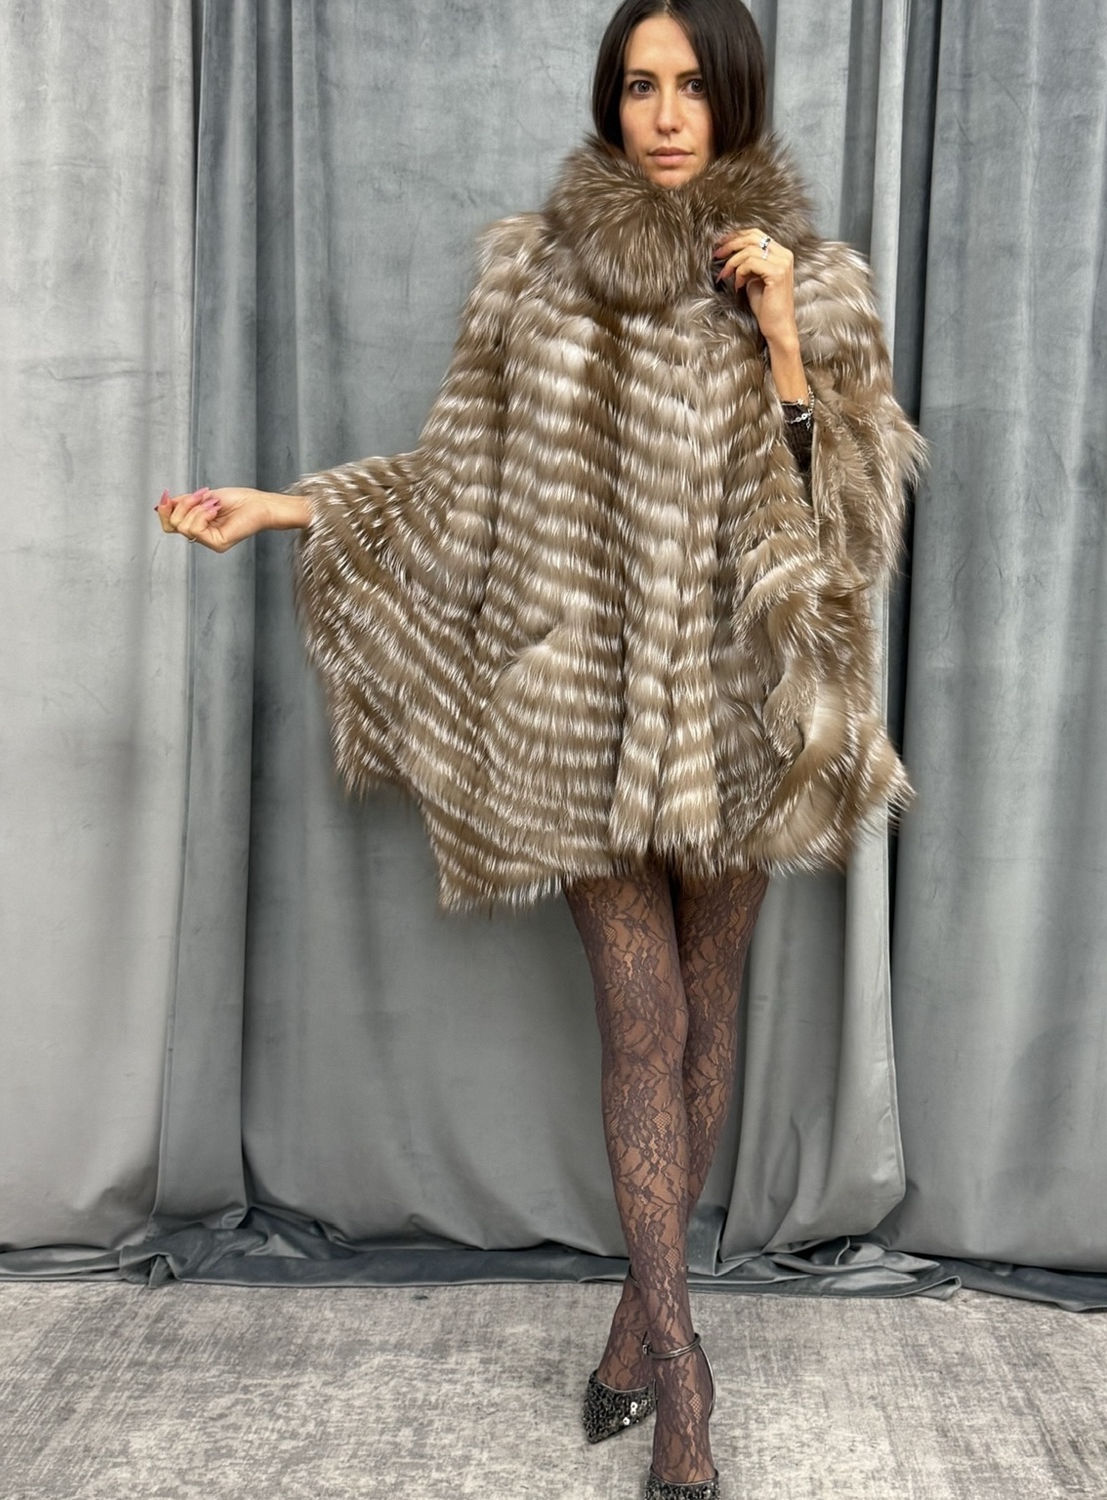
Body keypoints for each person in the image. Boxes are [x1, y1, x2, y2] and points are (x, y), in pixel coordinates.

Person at [158, 1, 922, 1494]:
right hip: (580, 715)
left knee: (707, 1015)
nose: (665, 114)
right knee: (642, 1024)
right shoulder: (532, 273)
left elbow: (847, 534)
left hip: (743, 712)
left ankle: (638, 1326)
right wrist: (285, 506)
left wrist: (781, 339)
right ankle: (684, 1372)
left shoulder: (814, 283)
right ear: (610, 100)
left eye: (691, 85)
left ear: (735, 96)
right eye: (639, 85)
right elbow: (461, 481)